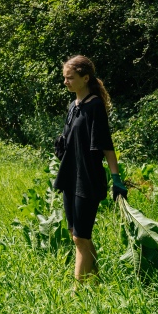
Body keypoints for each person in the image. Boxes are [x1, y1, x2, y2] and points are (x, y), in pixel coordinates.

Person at [54, 55, 127, 284]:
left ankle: (78, 291)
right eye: (64, 77)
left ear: (85, 78)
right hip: (70, 177)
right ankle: (95, 282)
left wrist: (116, 179)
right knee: (76, 236)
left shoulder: (95, 105)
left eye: (70, 78)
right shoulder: (72, 106)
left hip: (87, 178)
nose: (66, 81)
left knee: (80, 237)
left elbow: (106, 145)